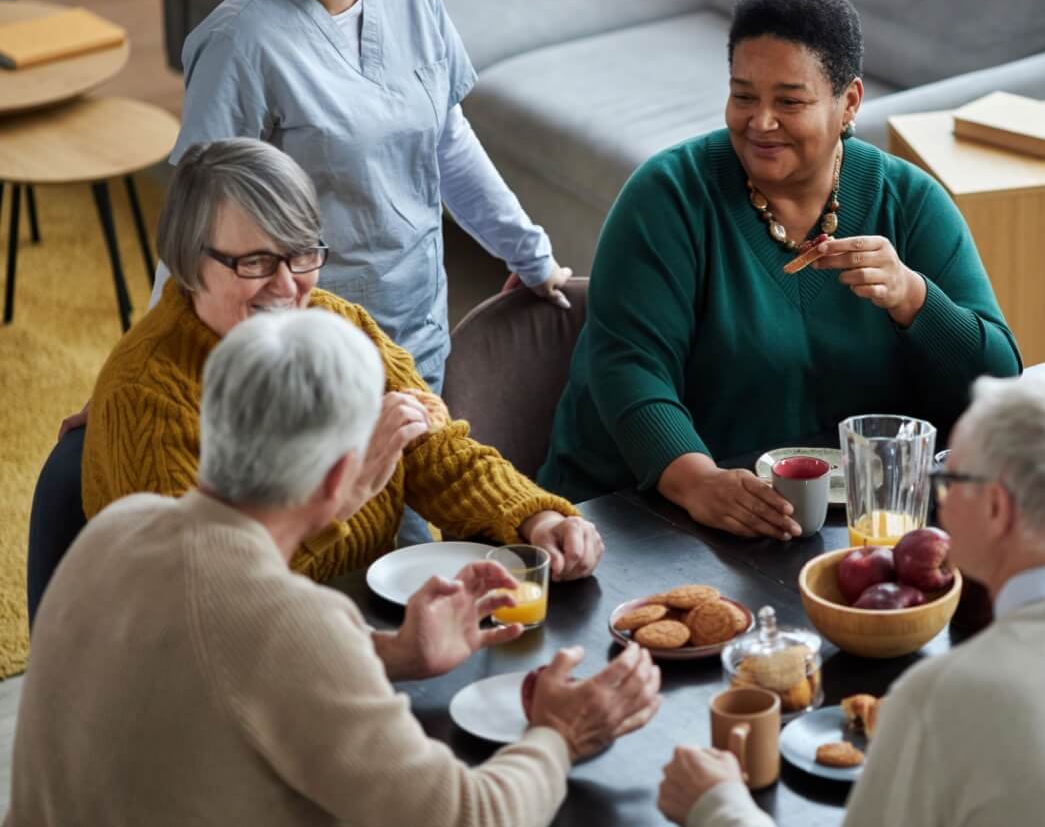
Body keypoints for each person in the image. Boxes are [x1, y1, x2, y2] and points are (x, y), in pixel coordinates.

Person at [12, 308, 659, 826]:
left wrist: (389, 653)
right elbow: (470, 814)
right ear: (343, 476)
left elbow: (217, 671)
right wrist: (562, 734)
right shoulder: (291, 624)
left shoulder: (119, 527)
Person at [657, 367, 1045, 826]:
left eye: (950, 480)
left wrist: (719, 806)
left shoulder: (943, 699)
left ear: (995, 508)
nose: (937, 503)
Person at [539, 0, 1022, 536]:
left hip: (854, 523)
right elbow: (628, 369)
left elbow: (999, 382)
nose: (760, 122)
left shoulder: (911, 203)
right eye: (743, 95)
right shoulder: (667, 197)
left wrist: (914, 298)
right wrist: (697, 481)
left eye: (789, 101)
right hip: (642, 513)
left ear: (849, 103)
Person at [163, 0, 569, 390]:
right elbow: (193, 229)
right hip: (308, 353)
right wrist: (145, 373)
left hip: (422, 326)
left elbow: (447, 142)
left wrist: (531, 256)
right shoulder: (240, 44)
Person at [82, 139, 603, 582]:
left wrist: (535, 517)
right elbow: (202, 595)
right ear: (190, 263)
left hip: (353, 625)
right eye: (256, 262)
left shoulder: (341, 326)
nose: (287, 287)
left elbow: (438, 456)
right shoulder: (150, 395)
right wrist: (345, 492)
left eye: (301, 253)